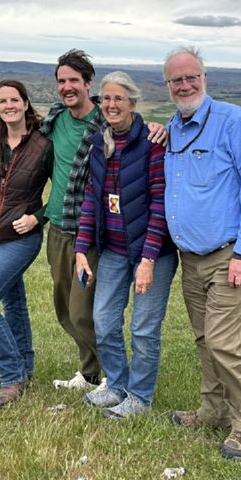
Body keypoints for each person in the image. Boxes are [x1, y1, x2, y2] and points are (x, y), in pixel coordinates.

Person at [0, 50, 166, 391]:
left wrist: (156, 128)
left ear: (87, 83)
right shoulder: (54, 119)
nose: (67, 87)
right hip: (59, 228)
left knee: (84, 311)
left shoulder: (103, 120)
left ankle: (112, 378)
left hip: (92, 232)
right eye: (61, 81)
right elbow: (20, 127)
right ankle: (91, 372)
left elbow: (131, 125)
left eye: (73, 81)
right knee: (64, 309)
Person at [162, 46, 241, 461]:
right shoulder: (173, 129)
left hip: (231, 255)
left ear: (204, 78)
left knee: (226, 343)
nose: (185, 85)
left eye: (192, 77)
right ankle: (213, 409)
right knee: (205, 338)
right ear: (168, 86)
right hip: (191, 259)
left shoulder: (231, 121)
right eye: (177, 80)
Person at [74, 72, 178, 419]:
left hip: (153, 253)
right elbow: (92, 198)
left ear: (133, 103)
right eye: (106, 98)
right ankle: (116, 384)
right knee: (103, 320)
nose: (111, 105)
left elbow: (161, 203)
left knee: (144, 329)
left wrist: (148, 258)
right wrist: (81, 248)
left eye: (119, 98)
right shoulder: (99, 142)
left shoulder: (152, 143)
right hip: (114, 250)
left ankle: (140, 397)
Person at [0, 79, 52, 409]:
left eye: (14, 100)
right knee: (13, 302)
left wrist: (38, 217)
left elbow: (61, 190)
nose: (9, 106)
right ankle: (25, 368)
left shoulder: (44, 144)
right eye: (2, 101)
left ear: (25, 102)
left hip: (22, 237)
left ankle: (12, 375)